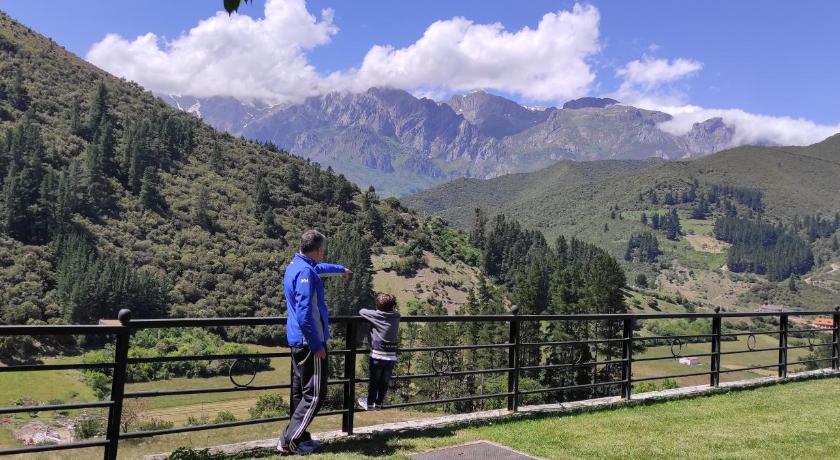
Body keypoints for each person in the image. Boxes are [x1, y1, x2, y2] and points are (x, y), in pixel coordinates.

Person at [277, 229, 351, 455]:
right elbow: (305, 313)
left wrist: (340, 270)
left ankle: (298, 438)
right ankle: (288, 441)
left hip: (297, 339)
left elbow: (320, 268)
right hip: (310, 342)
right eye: (323, 251)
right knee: (315, 395)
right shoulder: (305, 272)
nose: (323, 254)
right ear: (318, 250)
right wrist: (317, 344)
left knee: (299, 393)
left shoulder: (297, 265)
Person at [357, 293, 401, 411]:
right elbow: (395, 312)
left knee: (374, 382)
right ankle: (379, 403)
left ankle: (369, 404)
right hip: (391, 357)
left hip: (377, 355)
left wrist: (377, 311)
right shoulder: (397, 316)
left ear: (378, 306)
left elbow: (362, 311)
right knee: (384, 382)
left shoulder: (376, 315)